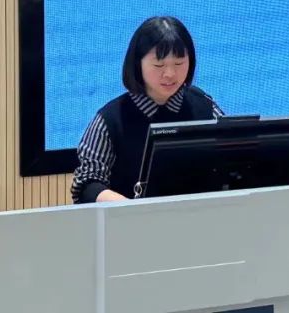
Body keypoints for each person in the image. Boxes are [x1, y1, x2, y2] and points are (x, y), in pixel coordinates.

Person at [71, 16, 224, 203]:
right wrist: (133, 209)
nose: (170, 74)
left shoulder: (205, 107)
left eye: (179, 63)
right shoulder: (110, 119)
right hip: (130, 219)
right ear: (138, 64)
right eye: (159, 65)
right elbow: (87, 185)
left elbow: (234, 158)